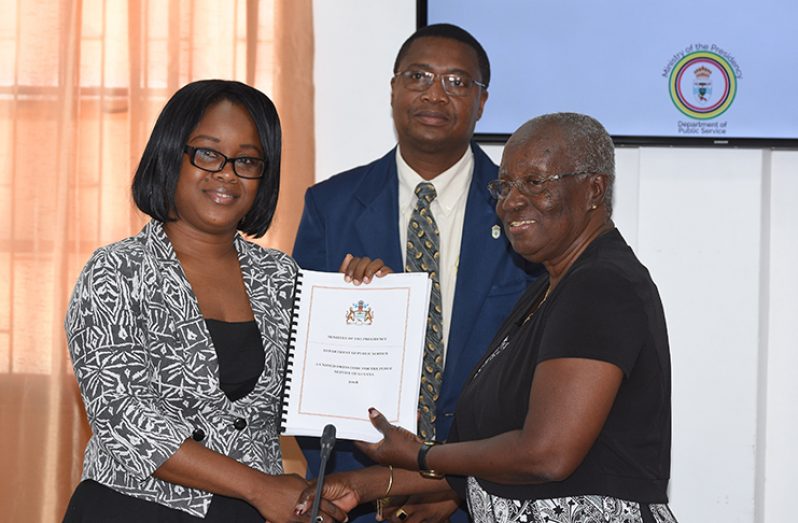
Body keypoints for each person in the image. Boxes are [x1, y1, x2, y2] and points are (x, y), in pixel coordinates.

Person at [298, 113, 680, 523]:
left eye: (534, 182)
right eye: (504, 185)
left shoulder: (601, 286)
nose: (510, 201)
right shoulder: (543, 293)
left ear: (594, 189)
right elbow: (498, 458)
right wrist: (365, 485)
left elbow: (546, 454)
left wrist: (422, 454)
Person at [62, 80, 345, 523]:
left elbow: (331, 392)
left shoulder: (282, 277)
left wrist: (368, 301)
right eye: (208, 153)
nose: (227, 173)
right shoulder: (116, 271)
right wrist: (261, 488)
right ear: (171, 154)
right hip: (137, 508)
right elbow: (127, 421)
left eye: (247, 160)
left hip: (256, 513)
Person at [292, 23, 539, 522]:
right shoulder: (331, 207)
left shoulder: (525, 211)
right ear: (393, 89)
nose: (434, 93)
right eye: (419, 76)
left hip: (486, 496)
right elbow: (302, 369)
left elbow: (540, 376)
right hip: (357, 496)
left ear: (482, 101)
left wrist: (454, 486)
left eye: (456, 82)